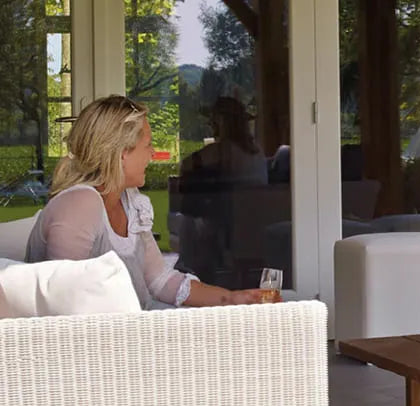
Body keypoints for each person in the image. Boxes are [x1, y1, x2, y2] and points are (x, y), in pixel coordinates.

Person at [26, 95, 279, 309]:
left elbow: (160, 279)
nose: (153, 153)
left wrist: (232, 298)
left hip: (128, 336)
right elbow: (64, 303)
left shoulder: (130, 202)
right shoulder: (80, 204)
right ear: (122, 153)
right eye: (147, 145)